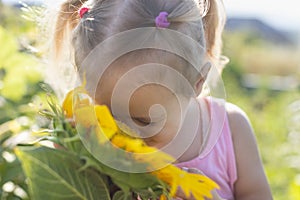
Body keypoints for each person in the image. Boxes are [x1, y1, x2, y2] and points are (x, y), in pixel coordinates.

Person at [51, 0, 273, 199]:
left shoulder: (230, 128)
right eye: (105, 116)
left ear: (196, 83)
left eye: (143, 121)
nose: (125, 133)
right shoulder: (84, 139)